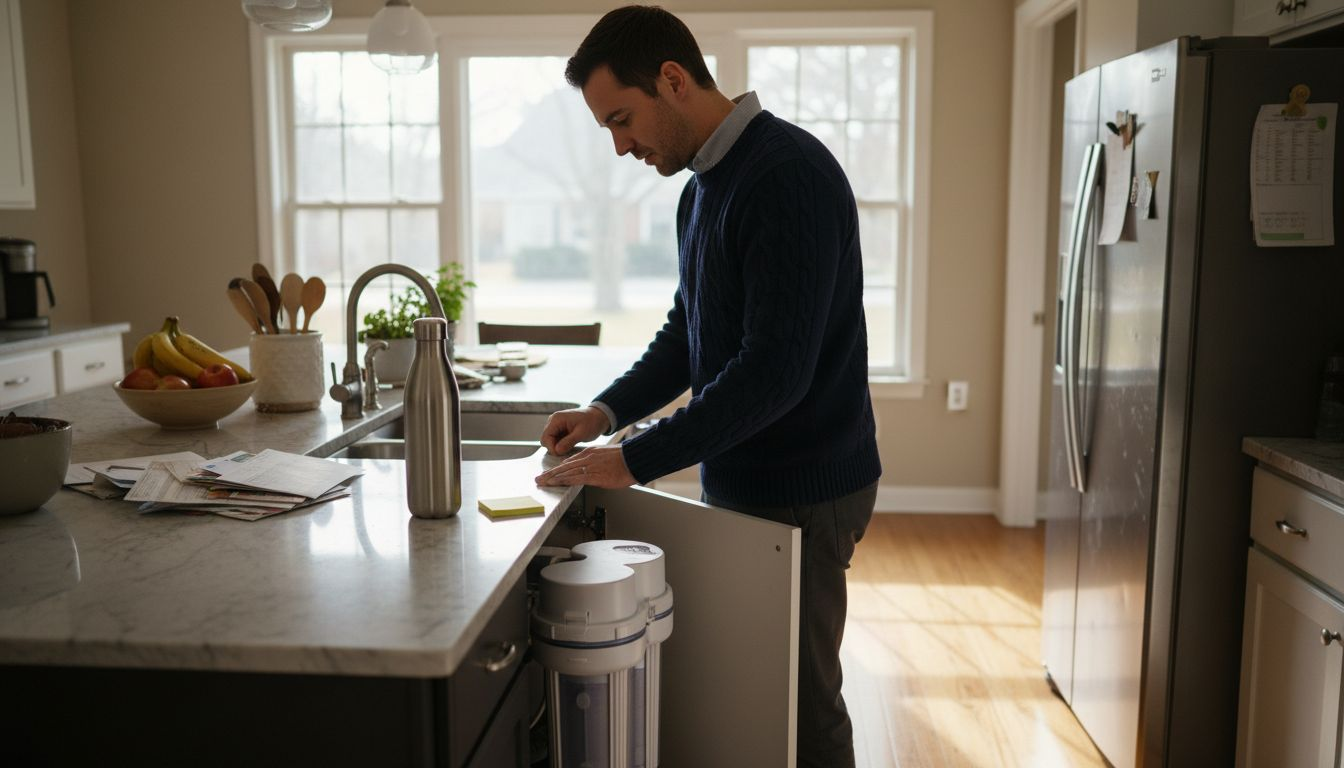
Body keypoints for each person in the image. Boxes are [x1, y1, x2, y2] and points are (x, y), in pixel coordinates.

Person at [533, 5, 881, 766]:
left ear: (673, 79)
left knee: (800, 706)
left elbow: (774, 373)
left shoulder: (784, 175)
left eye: (623, 120)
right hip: (750, 480)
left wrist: (633, 459)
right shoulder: (702, 190)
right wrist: (606, 410)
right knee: (754, 697)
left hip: (806, 489)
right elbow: (690, 335)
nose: (622, 146)